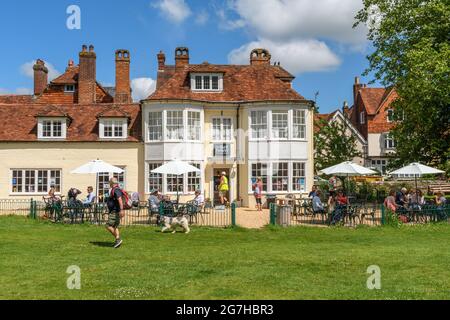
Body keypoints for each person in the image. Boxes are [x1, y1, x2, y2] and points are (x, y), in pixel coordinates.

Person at [106, 178, 124, 249]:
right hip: (115, 211)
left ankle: (118, 239)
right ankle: (117, 240)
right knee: (115, 226)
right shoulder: (116, 190)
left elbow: (120, 199)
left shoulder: (116, 190)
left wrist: (121, 210)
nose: (109, 184)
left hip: (115, 211)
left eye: (109, 183)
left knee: (108, 226)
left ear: (111, 183)